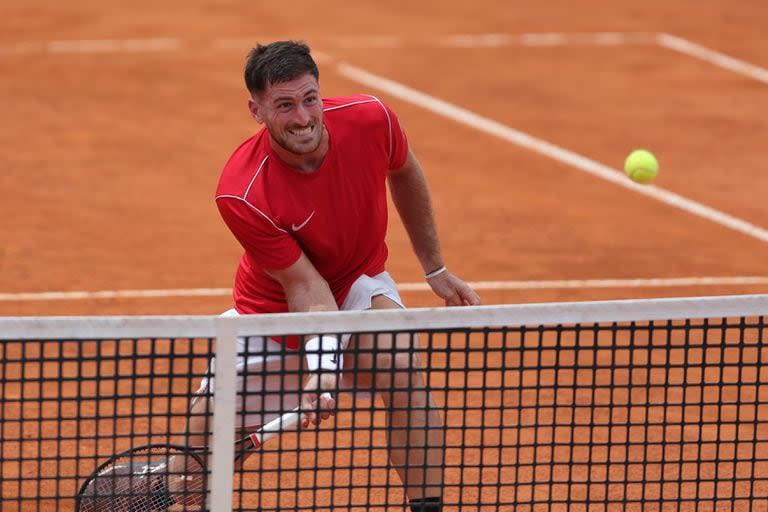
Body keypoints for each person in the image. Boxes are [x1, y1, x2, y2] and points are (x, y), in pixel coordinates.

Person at [183, 40, 480, 512]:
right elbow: (305, 287)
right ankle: (184, 482)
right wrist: (323, 372)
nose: (302, 117)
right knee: (195, 462)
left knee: (400, 364)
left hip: (359, 283)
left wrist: (434, 266)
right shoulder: (241, 192)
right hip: (272, 314)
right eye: (284, 106)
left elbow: (404, 170)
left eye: (309, 99)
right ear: (256, 110)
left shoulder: (370, 119)